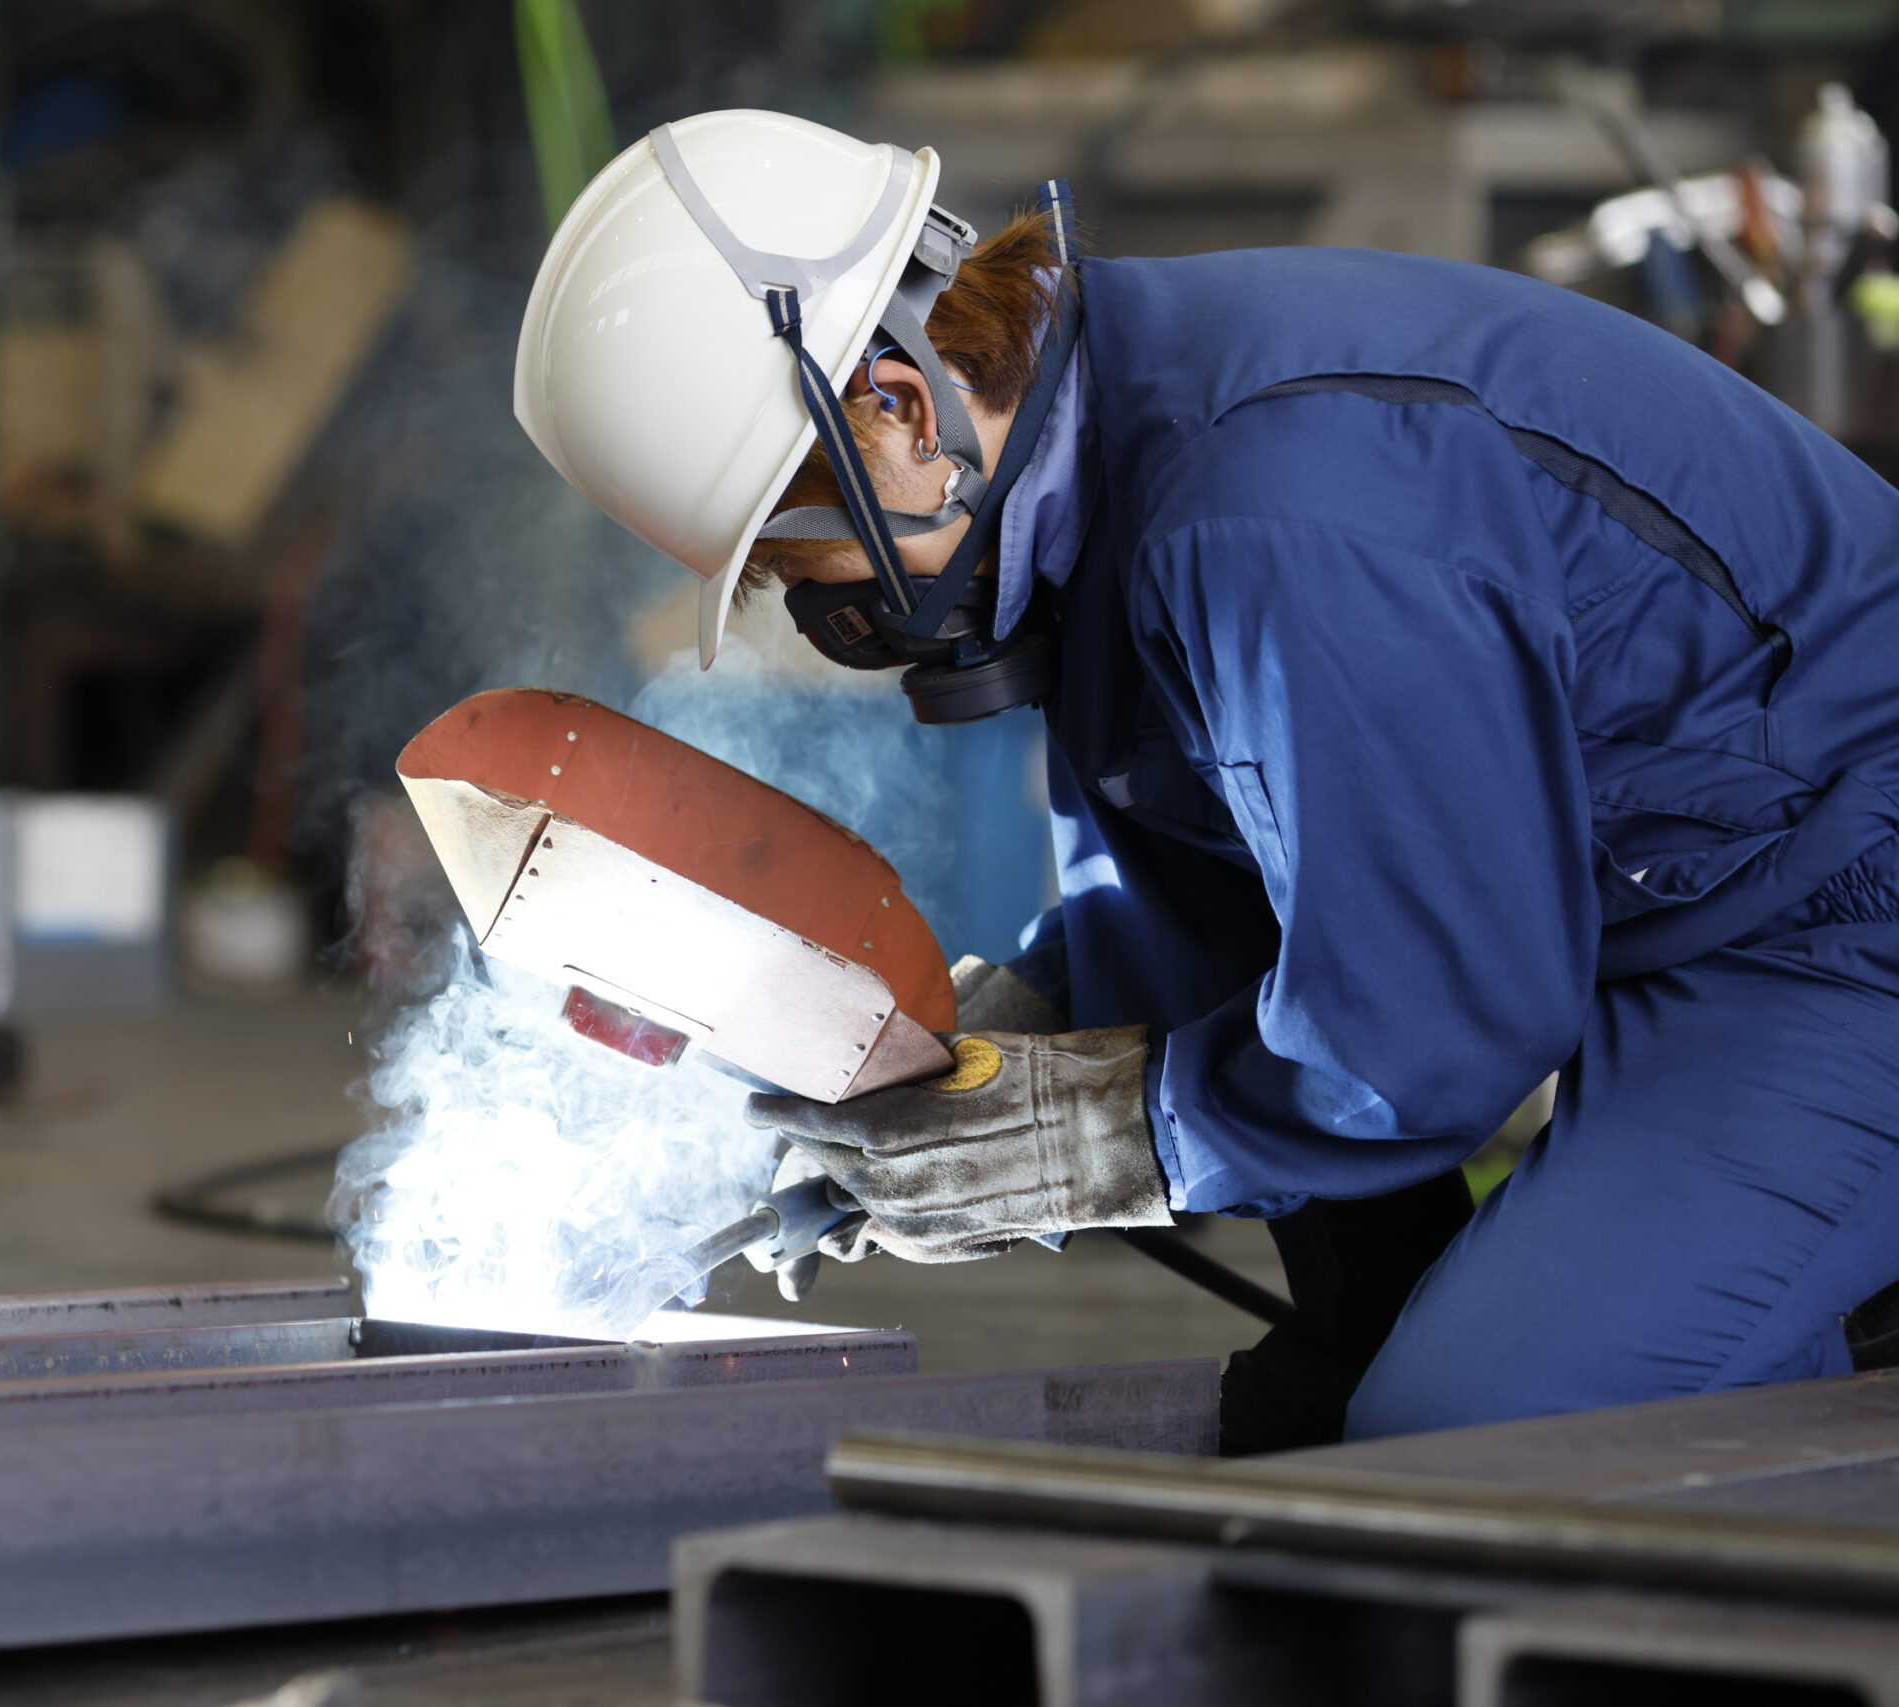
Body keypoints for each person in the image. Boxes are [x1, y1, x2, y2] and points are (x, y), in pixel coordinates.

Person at [513, 109, 1899, 1448]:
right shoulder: (1112, 439)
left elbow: (1432, 1023)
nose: (844, 626)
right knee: (1362, 1396)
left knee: (1472, 1441)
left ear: (897, 407)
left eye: (822, 571)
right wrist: (1008, 1043)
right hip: (1680, 889)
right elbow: (1225, 855)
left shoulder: (1281, 513)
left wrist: (1100, 1139)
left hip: (1844, 911)